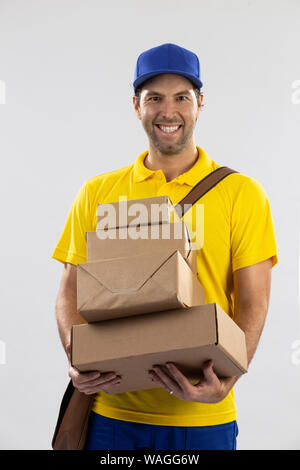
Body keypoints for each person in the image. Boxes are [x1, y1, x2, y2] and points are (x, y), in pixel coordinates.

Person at [52, 43, 278, 450]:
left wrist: (229, 380)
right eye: (154, 98)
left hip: (203, 418)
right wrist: (77, 356)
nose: (168, 111)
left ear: (200, 104)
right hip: (113, 415)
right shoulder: (98, 192)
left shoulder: (241, 193)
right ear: (136, 106)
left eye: (181, 98)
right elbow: (70, 290)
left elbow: (253, 302)